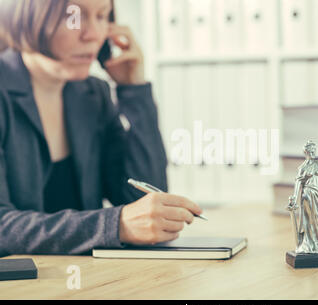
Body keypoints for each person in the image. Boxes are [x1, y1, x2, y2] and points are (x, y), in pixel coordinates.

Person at [0, 0, 202, 257]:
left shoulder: (92, 94)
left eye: (103, 16)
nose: (93, 34)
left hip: (86, 283)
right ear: (25, 15)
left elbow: (139, 196)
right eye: (73, 16)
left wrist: (135, 91)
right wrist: (113, 225)